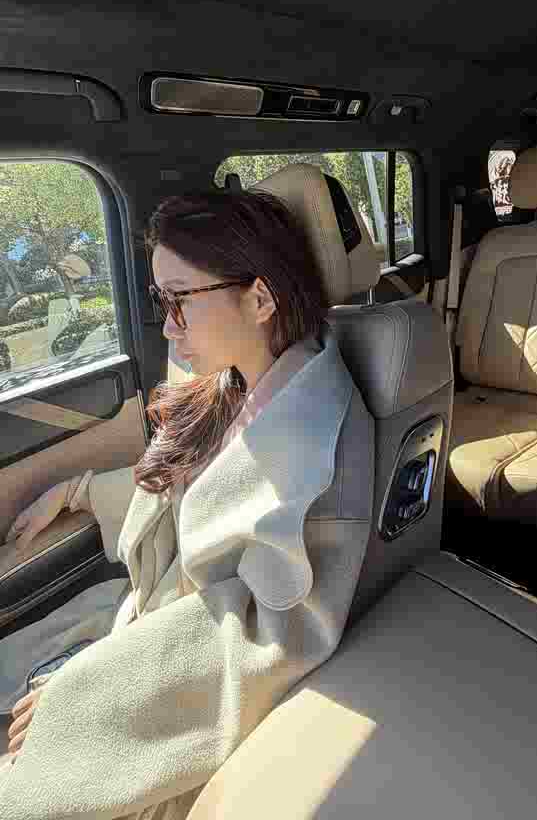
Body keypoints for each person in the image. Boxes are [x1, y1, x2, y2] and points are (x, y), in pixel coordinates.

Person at [0, 188, 373, 820]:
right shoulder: (232, 381)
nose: (167, 326)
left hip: (182, 675)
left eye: (180, 300)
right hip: (150, 629)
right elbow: (188, 494)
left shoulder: (319, 444)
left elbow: (270, 635)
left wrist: (91, 689)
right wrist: (78, 490)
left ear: (260, 298)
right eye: (159, 301)